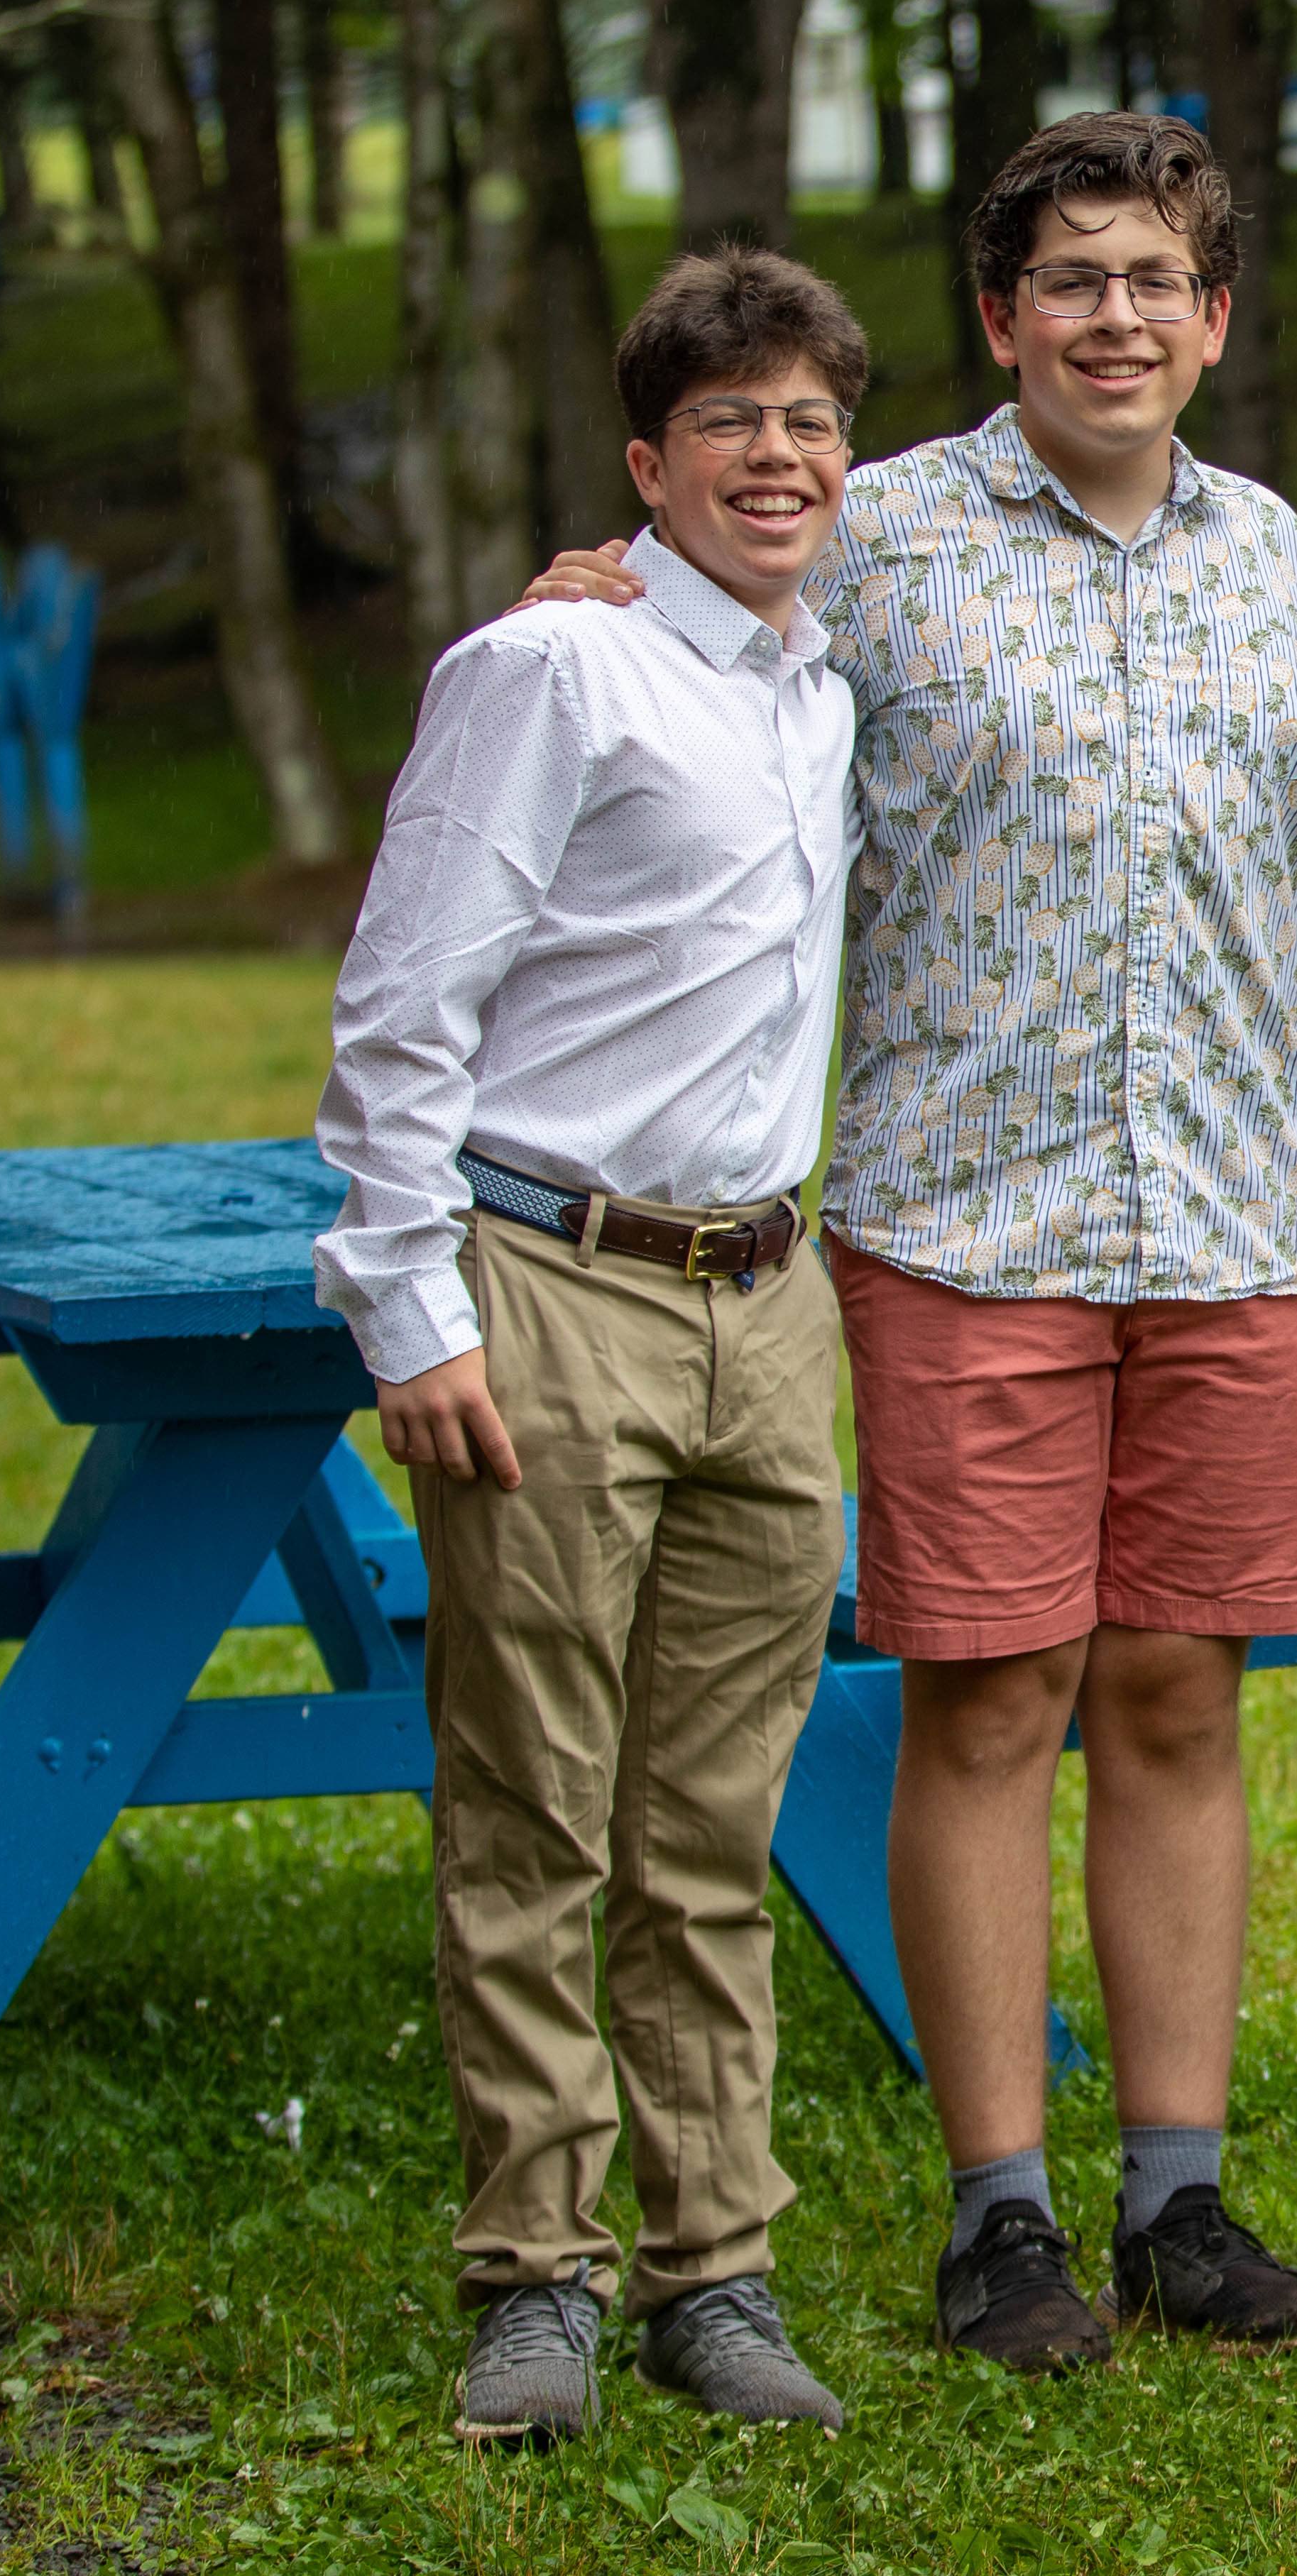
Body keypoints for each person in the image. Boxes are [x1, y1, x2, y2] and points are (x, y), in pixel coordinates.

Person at [521, 113, 1297, 2375]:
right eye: (1071, 279)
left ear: (1216, 321)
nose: (1119, 316)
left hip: (1227, 1213)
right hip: (961, 1219)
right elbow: (690, 646)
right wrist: (584, 578)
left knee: (1182, 1697)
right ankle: (998, 2219)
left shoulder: (1274, 554)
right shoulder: (881, 541)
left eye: (1162, 280)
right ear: (1003, 320)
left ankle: (1179, 2206)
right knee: (993, 1696)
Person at [315, 248, 872, 2449]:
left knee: (711, 1820)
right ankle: (529, 2273)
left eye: (812, 421)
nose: (778, 456)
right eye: (729, 424)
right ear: (648, 465)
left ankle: (711, 2270)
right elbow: (401, 999)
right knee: (536, 1800)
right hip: (548, 1285)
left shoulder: (826, 681)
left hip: (767, 1302)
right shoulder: (550, 669)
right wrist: (408, 1298)